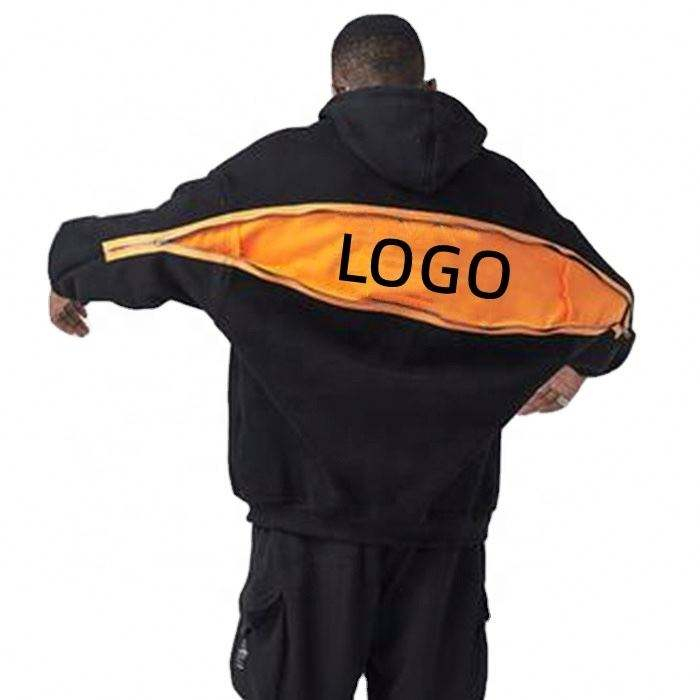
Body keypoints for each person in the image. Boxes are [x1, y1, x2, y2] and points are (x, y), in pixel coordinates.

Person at [48, 14, 635, 700]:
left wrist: (70, 270)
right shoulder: (505, 201)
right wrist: (579, 364)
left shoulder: (279, 184)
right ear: (429, 87)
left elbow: (162, 242)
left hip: (308, 531)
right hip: (445, 537)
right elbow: (609, 306)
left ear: (336, 89)